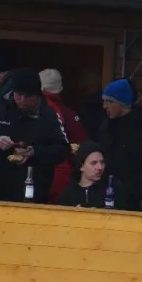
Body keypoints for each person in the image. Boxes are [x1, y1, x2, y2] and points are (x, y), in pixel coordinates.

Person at [0, 68, 69, 203]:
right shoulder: (0, 106)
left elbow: (62, 149)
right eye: (18, 95)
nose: (21, 100)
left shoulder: (49, 115)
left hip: (35, 189)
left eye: (27, 96)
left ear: (37, 95)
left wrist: (34, 152)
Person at [98, 78, 142, 210]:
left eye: (110, 101)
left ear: (122, 103)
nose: (105, 106)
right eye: (104, 101)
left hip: (133, 197)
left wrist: (129, 191)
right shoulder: (106, 125)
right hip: (107, 191)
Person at [39, 68, 88, 202]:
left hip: (47, 174)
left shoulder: (40, 110)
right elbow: (81, 145)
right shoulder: (70, 115)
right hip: (63, 176)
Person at [56, 140, 127, 209]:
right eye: (94, 163)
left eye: (102, 162)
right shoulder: (68, 195)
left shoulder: (112, 188)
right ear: (81, 166)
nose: (100, 167)